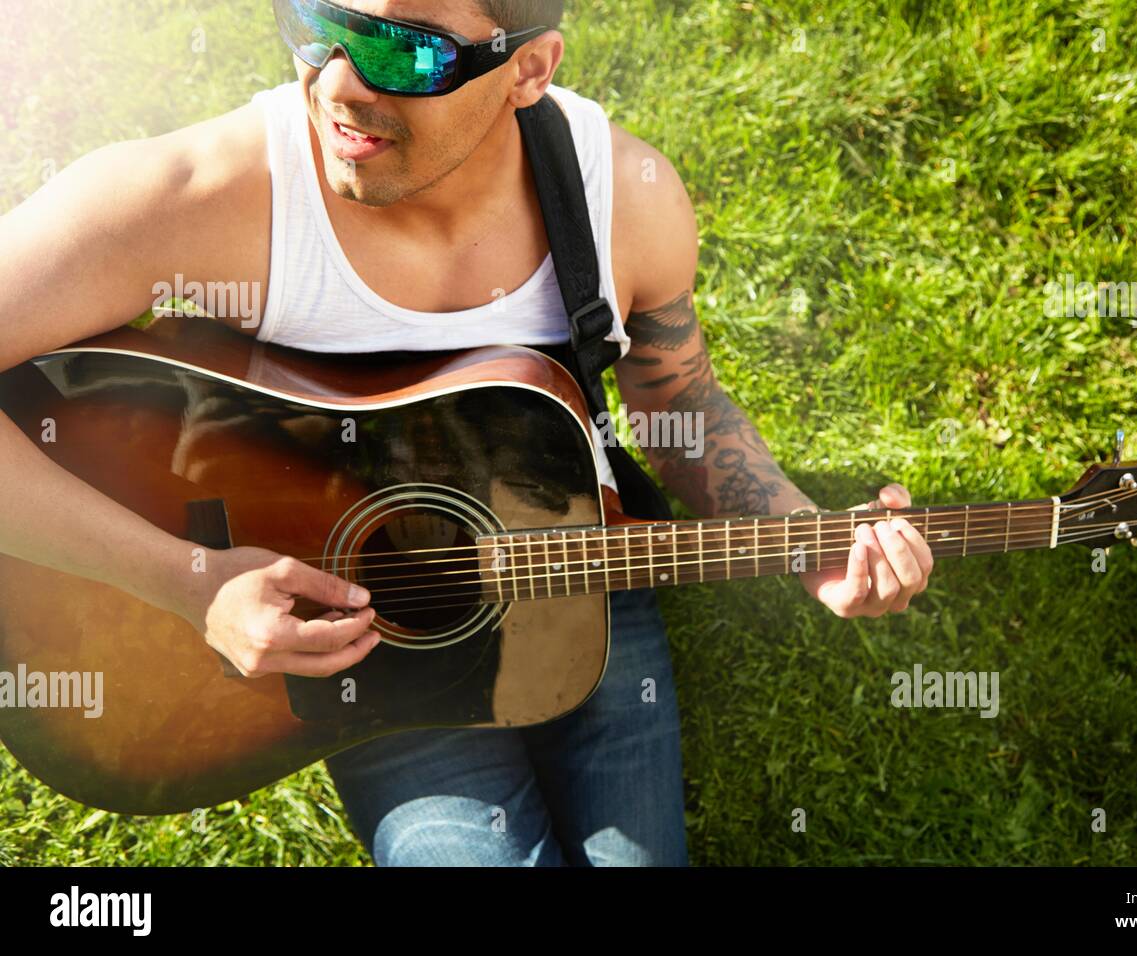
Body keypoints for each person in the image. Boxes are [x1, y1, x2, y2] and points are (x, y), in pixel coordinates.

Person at [0, 0, 933, 865]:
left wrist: (807, 537)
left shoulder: (623, 202)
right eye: (316, 21)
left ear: (529, 69)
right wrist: (184, 578)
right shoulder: (196, 197)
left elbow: (676, 394)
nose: (334, 84)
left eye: (405, 52)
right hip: (361, 641)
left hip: (584, 558)